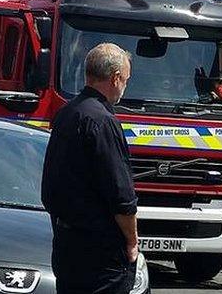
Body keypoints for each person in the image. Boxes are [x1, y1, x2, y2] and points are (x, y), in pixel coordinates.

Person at [41, 43, 139, 294]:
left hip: (66, 244)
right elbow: (121, 197)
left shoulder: (66, 113)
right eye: (126, 80)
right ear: (116, 78)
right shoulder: (103, 121)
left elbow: (51, 185)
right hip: (101, 251)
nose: (125, 86)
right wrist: (132, 241)